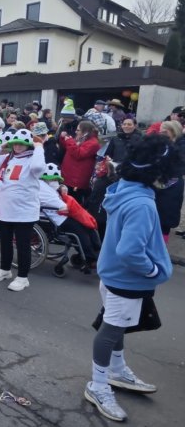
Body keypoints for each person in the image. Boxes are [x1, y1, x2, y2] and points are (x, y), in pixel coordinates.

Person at [84, 135, 175, 423]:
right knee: (111, 330)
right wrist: (152, 271)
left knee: (117, 328)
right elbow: (130, 251)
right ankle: (98, 385)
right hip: (126, 280)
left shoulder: (125, 188)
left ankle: (117, 370)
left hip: (112, 273)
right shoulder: (142, 203)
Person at [0, 128, 46, 291]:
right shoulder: (8, 158)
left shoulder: (33, 158)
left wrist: (39, 147)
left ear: (29, 145)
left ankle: (23, 277)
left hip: (24, 212)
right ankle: (5, 269)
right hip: (4, 210)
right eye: (15, 143)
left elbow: (38, 168)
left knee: (23, 245)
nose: (18, 146)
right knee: (5, 243)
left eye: (21, 144)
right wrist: (2, 146)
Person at [38, 163, 101, 273]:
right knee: (80, 231)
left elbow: (58, 191)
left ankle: (96, 252)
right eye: (53, 179)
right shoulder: (42, 188)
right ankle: (90, 258)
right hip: (54, 218)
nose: (55, 181)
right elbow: (60, 205)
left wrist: (63, 188)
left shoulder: (48, 184)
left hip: (60, 215)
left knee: (88, 227)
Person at [58, 121, 100, 206]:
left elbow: (78, 154)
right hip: (69, 176)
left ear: (85, 131)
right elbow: (70, 148)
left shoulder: (93, 143)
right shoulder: (82, 139)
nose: (76, 132)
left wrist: (69, 141)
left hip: (77, 180)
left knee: (73, 203)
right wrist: (63, 139)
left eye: (78, 130)